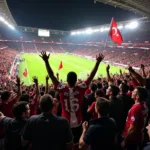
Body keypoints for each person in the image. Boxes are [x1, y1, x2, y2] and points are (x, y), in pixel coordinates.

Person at [40, 51, 104, 142]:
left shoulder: (62, 88)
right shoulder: (81, 88)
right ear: (76, 80)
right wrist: (97, 62)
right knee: (76, 142)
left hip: (65, 123)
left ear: (66, 80)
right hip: (78, 122)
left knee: (66, 142)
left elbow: (52, 76)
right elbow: (91, 76)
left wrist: (46, 61)